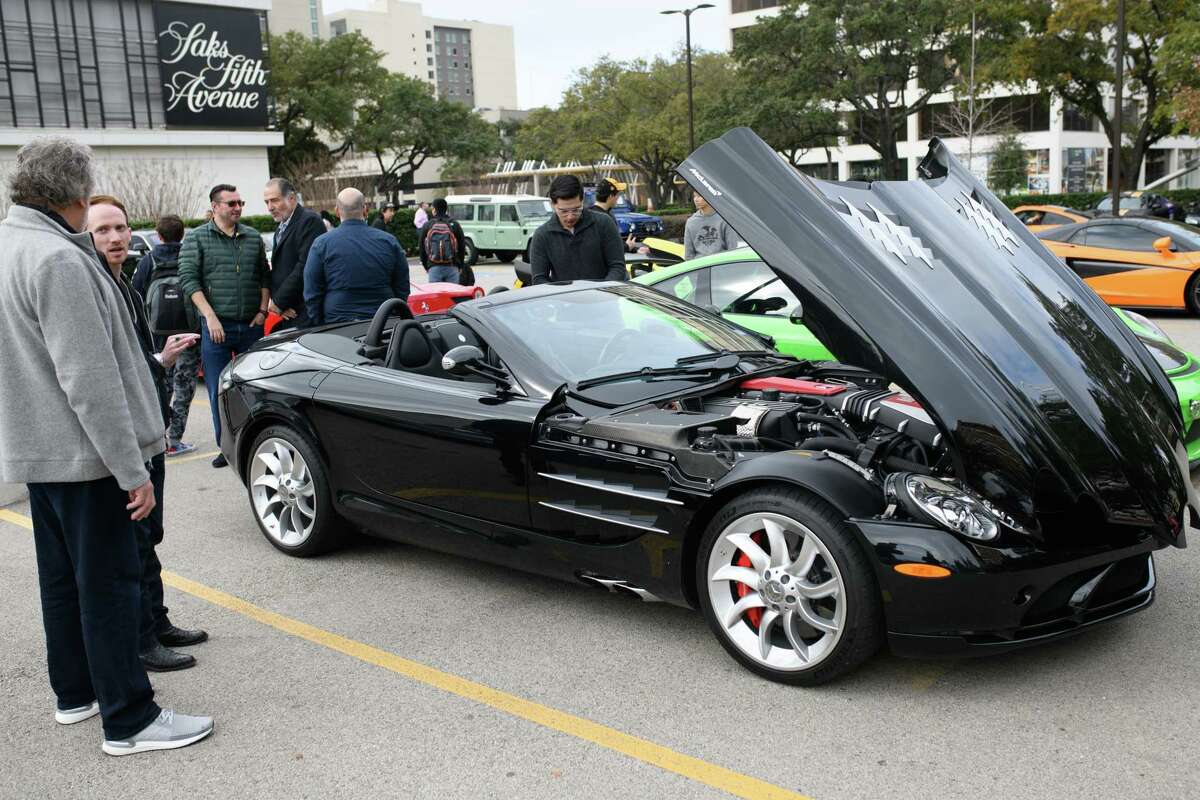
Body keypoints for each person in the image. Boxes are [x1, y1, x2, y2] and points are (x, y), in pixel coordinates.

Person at [0, 136, 212, 756]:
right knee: (111, 585)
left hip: (44, 452)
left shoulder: (11, 245)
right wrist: (131, 470)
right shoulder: (58, 260)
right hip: (87, 457)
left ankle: (76, 695)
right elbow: (89, 381)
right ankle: (130, 718)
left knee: (62, 582)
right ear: (74, 195)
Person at [87, 195, 209, 675]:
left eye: (120, 228)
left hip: (149, 426)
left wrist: (161, 357)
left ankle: (156, 623)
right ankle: (141, 640)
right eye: (103, 231)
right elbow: (103, 374)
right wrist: (159, 362)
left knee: (149, 535)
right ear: (87, 236)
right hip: (126, 437)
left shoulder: (127, 284)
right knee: (133, 541)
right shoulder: (97, 289)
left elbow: (134, 361)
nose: (116, 237)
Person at [178, 183, 270, 469]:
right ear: (215, 206)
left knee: (254, 389)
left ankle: (255, 444)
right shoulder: (197, 238)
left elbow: (264, 276)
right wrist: (210, 317)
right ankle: (226, 449)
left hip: (251, 326)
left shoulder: (253, 237)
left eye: (239, 202)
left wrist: (262, 310)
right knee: (220, 391)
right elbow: (188, 279)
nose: (237, 208)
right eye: (231, 204)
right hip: (217, 327)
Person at [132, 215, 200, 457]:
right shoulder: (190, 257)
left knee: (161, 383)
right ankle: (175, 440)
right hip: (189, 330)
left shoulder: (148, 261)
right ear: (182, 234)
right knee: (185, 385)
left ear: (158, 236)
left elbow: (136, 294)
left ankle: (160, 436)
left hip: (158, 333)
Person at [304, 187, 410, 325]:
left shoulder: (322, 244)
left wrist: (320, 323)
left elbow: (312, 291)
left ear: (336, 211)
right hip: (383, 321)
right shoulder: (388, 241)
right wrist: (394, 312)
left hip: (338, 323)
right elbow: (402, 286)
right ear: (365, 210)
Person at [529, 174, 625, 284]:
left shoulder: (604, 223)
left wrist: (599, 293)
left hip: (603, 298)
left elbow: (617, 268)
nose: (570, 217)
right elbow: (539, 279)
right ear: (552, 204)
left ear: (582, 200)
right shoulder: (542, 235)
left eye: (576, 210)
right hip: (562, 299)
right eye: (563, 211)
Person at [264, 177, 326, 331]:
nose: (270, 207)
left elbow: (305, 265)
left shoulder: (309, 221)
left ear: (291, 198)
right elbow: (279, 270)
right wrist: (280, 304)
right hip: (290, 312)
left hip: (306, 312)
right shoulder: (281, 227)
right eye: (267, 202)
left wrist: (279, 301)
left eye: (274, 200)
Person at [417, 197, 467, 284]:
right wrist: (460, 265)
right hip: (452, 266)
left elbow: (421, 247)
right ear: (446, 209)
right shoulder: (454, 224)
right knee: (452, 295)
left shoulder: (428, 225)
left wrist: (427, 266)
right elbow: (462, 246)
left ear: (434, 210)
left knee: (436, 295)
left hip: (434, 267)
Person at [591, 177, 645, 254]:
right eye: (617, 194)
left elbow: (614, 241)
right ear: (610, 196)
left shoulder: (607, 213)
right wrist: (627, 246)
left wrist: (635, 249)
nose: (618, 197)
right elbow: (606, 247)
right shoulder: (598, 218)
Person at [684, 190, 740, 259]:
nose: (696, 199)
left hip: (722, 265)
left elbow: (732, 249)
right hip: (700, 267)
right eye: (694, 196)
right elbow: (688, 255)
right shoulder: (691, 222)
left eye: (699, 196)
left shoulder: (725, 219)